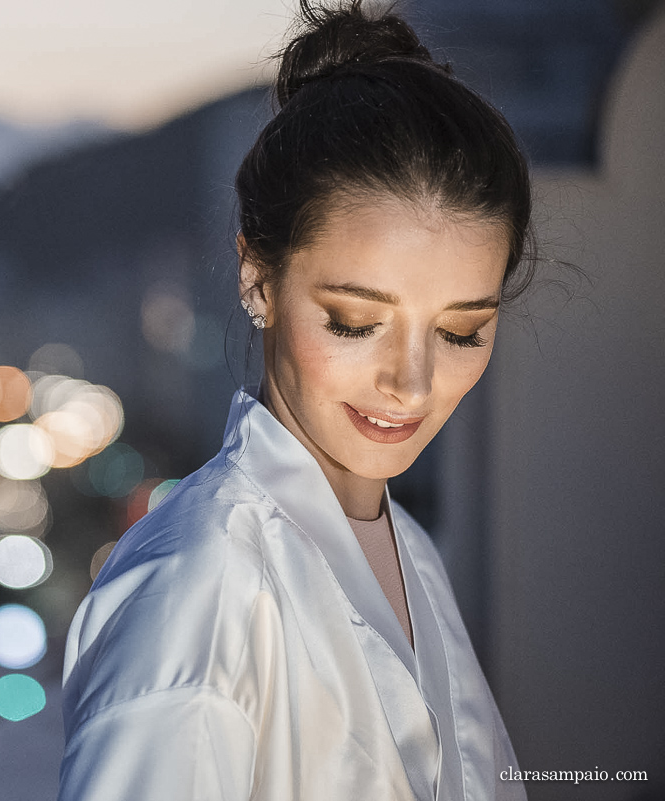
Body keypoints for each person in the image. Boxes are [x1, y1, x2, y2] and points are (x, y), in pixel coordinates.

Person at [57, 2, 532, 799]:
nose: (411, 383)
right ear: (257, 278)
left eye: (460, 332)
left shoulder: (408, 550)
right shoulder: (197, 596)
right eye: (355, 322)